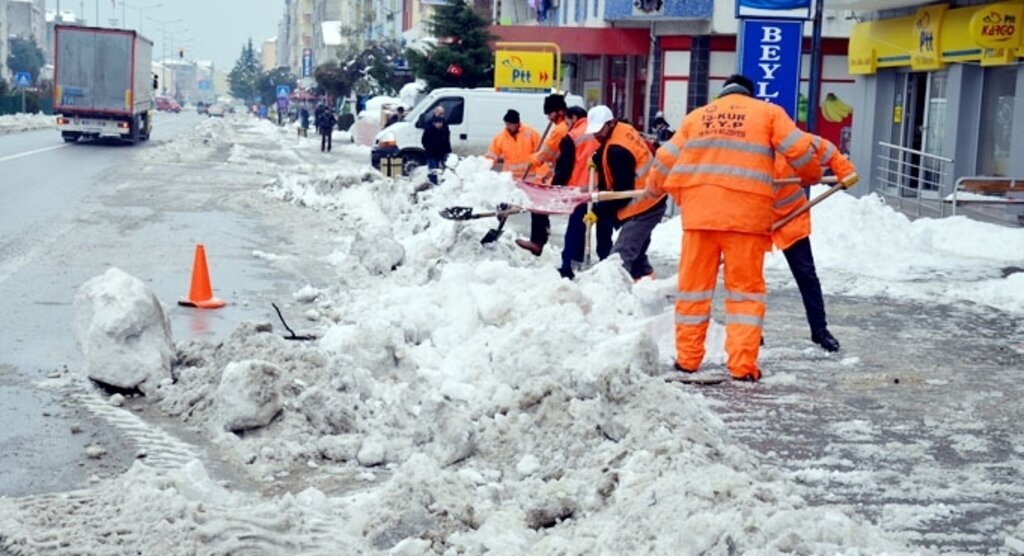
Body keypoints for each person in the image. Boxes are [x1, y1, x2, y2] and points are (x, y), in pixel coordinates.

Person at [646, 74, 846, 382]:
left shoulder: (697, 118)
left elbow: (664, 158)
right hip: (745, 219)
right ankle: (742, 366)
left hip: (700, 217)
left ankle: (687, 360)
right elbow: (801, 149)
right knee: (744, 294)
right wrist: (811, 175)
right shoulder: (767, 113)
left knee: (694, 291)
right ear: (749, 95)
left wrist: (654, 188)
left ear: (723, 94)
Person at [772, 134, 859, 352]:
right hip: (752, 221)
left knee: (807, 275)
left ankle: (820, 331)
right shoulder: (746, 146)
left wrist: (845, 170)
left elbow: (827, 149)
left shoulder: (791, 141)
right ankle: (749, 336)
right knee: (747, 282)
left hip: (791, 217)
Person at [586, 104, 667, 281]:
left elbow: (622, 193)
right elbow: (605, 147)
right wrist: (597, 158)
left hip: (644, 205)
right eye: (594, 132)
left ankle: (611, 296)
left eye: (599, 130)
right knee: (637, 258)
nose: (597, 135)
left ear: (610, 123)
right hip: (651, 198)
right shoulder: (622, 129)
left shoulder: (618, 150)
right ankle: (649, 289)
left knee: (620, 258)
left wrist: (597, 211)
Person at [515, 94, 575, 257]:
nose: (548, 117)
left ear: (559, 111)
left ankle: (537, 241)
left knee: (538, 202)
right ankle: (543, 232)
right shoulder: (567, 126)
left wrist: (534, 158)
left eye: (550, 113)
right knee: (542, 202)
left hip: (566, 174)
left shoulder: (560, 129)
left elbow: (547, 152)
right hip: (566, 171)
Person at [558, 105, 604, 278]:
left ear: (574, 117)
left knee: (576, 230)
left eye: (568, 121)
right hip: (604, 191)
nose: (567, 125)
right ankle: (607, 266)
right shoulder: (600, 130)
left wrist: (557, 188)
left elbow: (564, 167)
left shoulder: (573, 136)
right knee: (604, 231)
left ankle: (569, 266)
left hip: (581, 193)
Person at [484, 109, 541, 178]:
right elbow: (491, 156)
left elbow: (541, 154)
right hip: (510, 178)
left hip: (529, 176)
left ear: (516, 123)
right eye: (506, 124)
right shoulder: (500, 138)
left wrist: (542, 174)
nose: (507, 127)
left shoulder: (531, 134)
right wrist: (483, 169)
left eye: (509, 124)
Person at [421, 113, 451, 185]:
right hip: (431, 153)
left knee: (439, 169)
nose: (440, 124)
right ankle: (432, 183)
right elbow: (424, 140)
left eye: (441, 123)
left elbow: (447, 141)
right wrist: (428, 147)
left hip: (440, 153)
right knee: (433, 169)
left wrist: (448, 151)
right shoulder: (429, 130)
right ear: (434, 123)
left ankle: (437, 183)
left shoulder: (444, 130)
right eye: (438, 123)